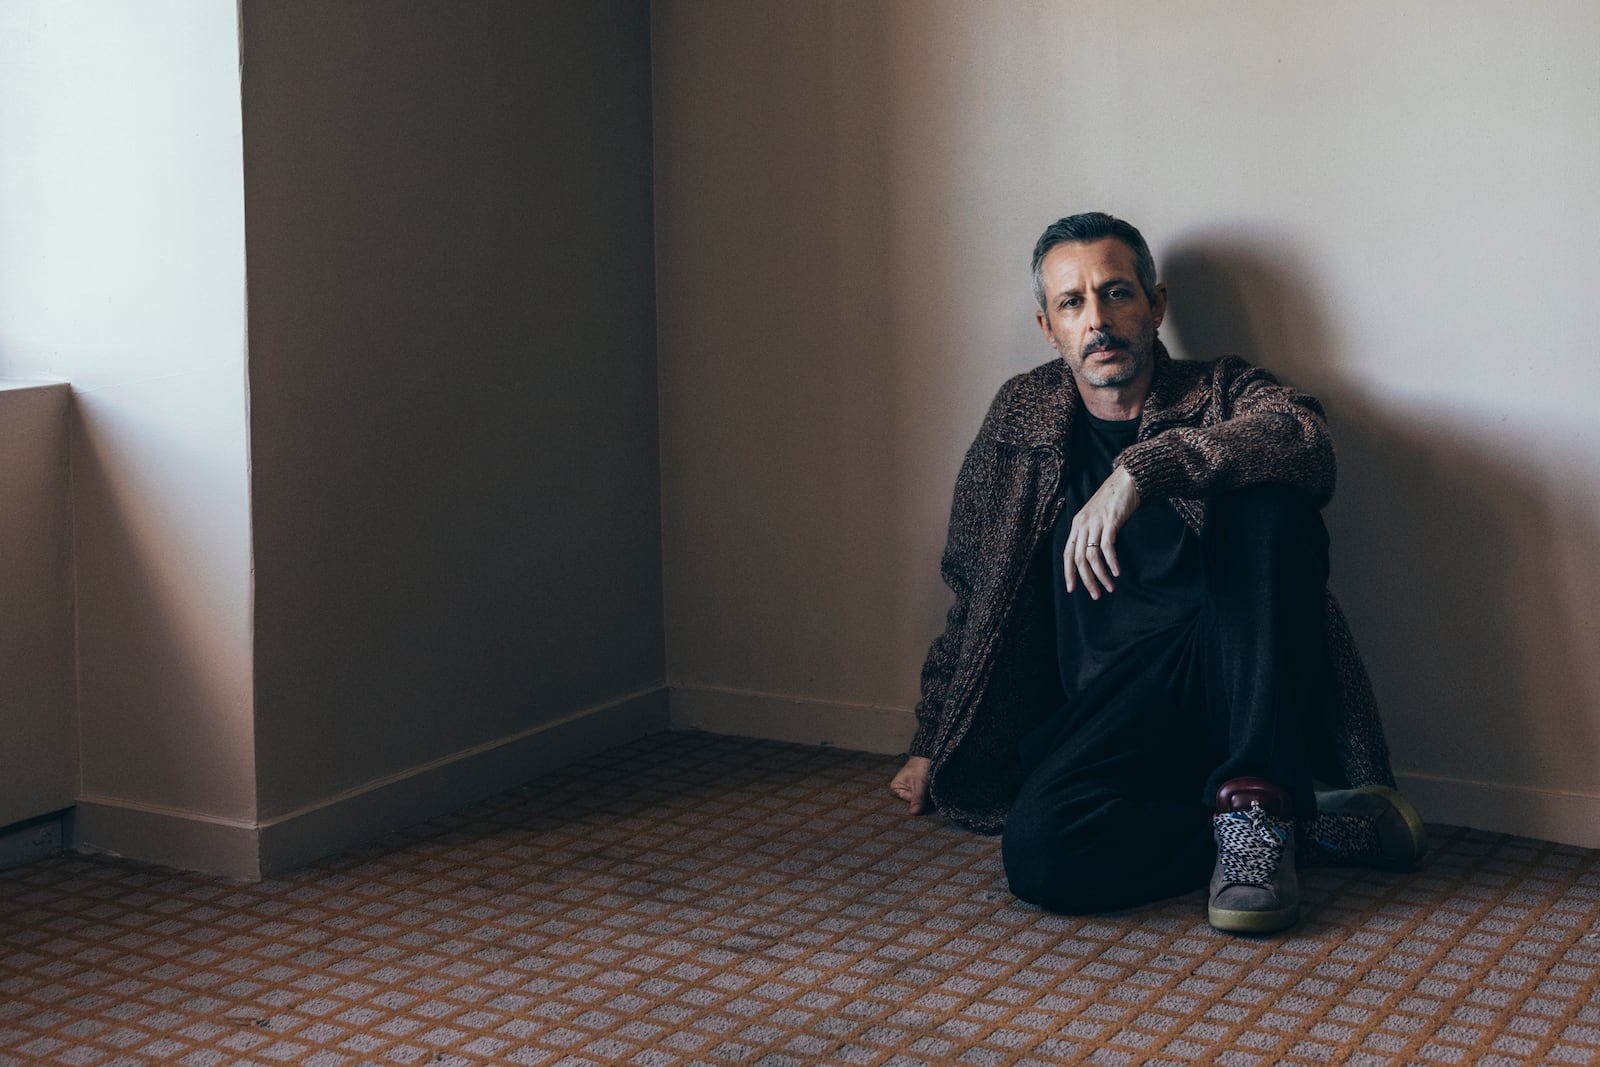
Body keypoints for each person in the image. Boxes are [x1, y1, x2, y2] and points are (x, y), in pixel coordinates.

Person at [889, 212, 1424, 934]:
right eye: (1073, 303)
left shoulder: (1221, 390)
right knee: (1040, 855)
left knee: (1270, 500)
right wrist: (932, 736)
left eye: (1116, 294)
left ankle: (1255, 794)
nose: (1098, 320)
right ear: (1048, 327)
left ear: (1156, 305)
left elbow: (1305, 440)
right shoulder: (1020, 416)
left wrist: (1143, 470)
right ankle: (1285, 829)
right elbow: (972, 587)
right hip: (1101, 712)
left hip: (1226, 685)